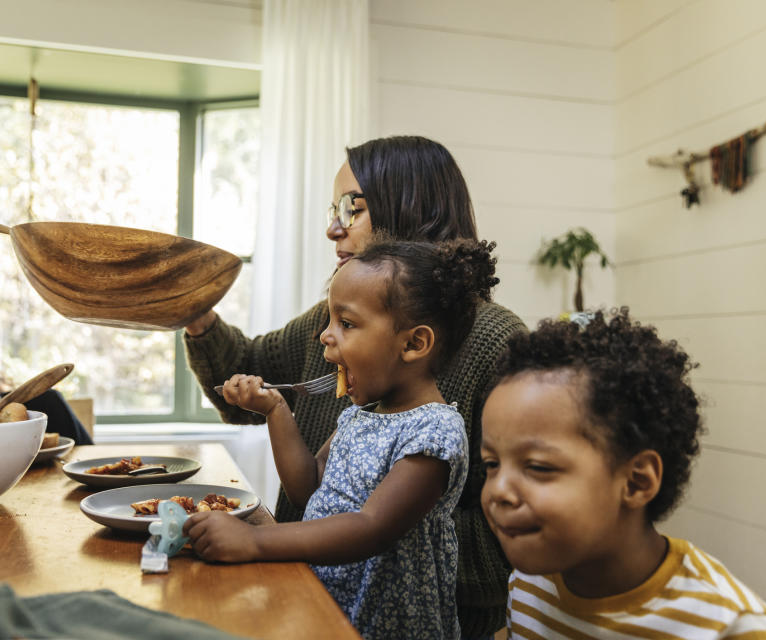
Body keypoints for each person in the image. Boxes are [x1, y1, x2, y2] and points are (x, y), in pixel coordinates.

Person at [183, 135, 526, 637]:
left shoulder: (499, 344)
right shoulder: (339, 321)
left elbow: (509, 531)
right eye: (333, 208)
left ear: (411, 210)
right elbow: (247, 375)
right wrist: (194, 312)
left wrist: (357, 535)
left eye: (352, 207)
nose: (332, 226)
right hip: (308, 597)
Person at [480, 308, 766, 638]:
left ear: (636, 482)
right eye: (491, 464)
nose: (499, 490)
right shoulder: (530, 584)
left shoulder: (734, 629)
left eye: (538, 467)